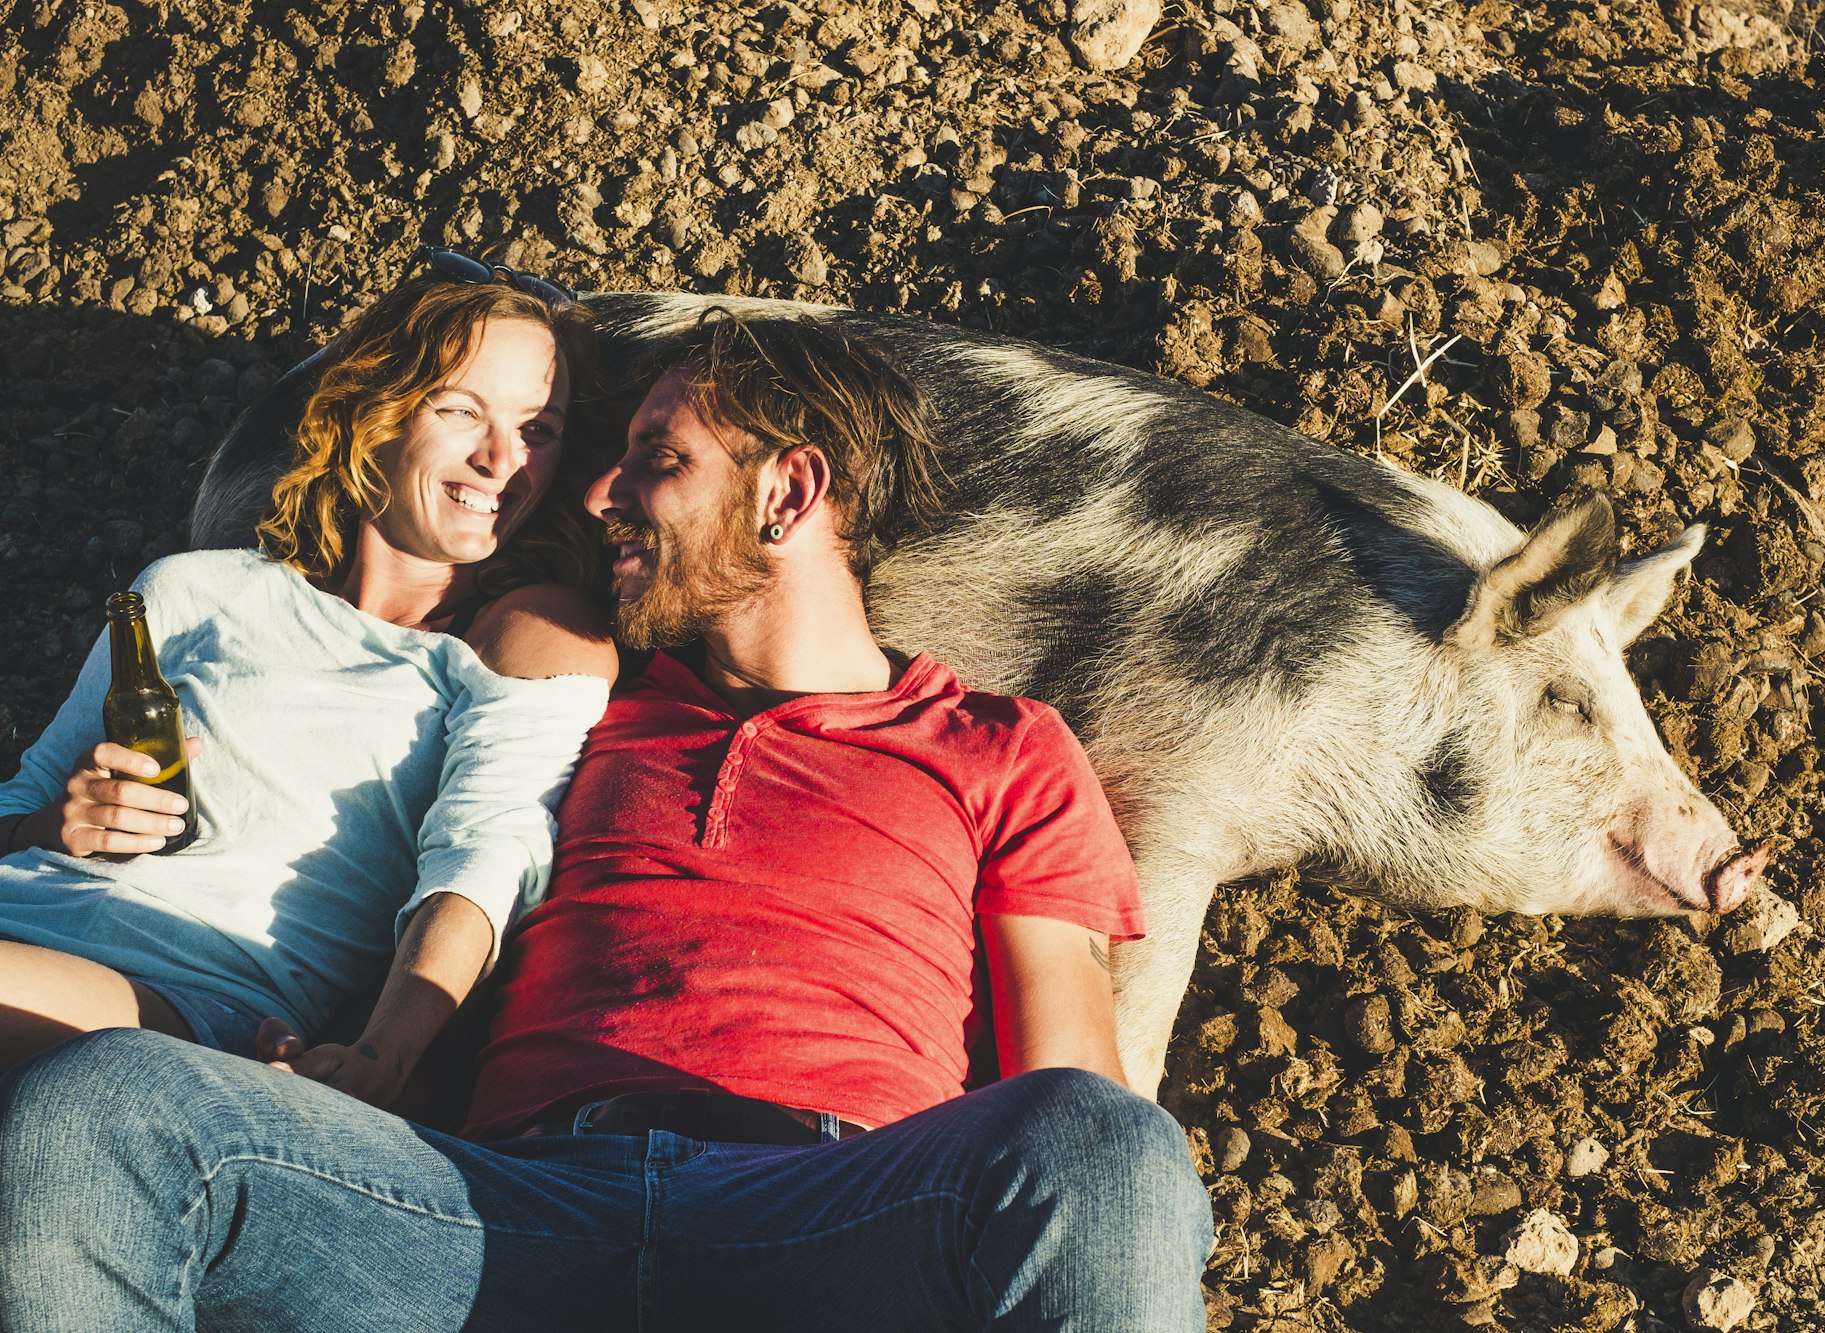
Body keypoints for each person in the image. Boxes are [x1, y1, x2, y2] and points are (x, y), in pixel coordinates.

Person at [0, 311, 1215, 1331]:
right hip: (495, 1209)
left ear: (788, 491)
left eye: (656, 458)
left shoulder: (998, 744)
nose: (595, 493)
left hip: (830, 1208)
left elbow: (1065, 1091)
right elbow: (438, 823)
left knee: (1110, 1148)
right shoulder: (576, 693)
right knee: (105, 1107)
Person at [0, 254, 618, 1106]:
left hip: (178, 995)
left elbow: (485, 861)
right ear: (378, 413)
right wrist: (54, 819)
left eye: (537, 430)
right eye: (459, 411)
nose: (500, 460)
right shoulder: (192, 587)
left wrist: (377, 1059)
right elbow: (17, 807)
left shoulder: (519, 637)